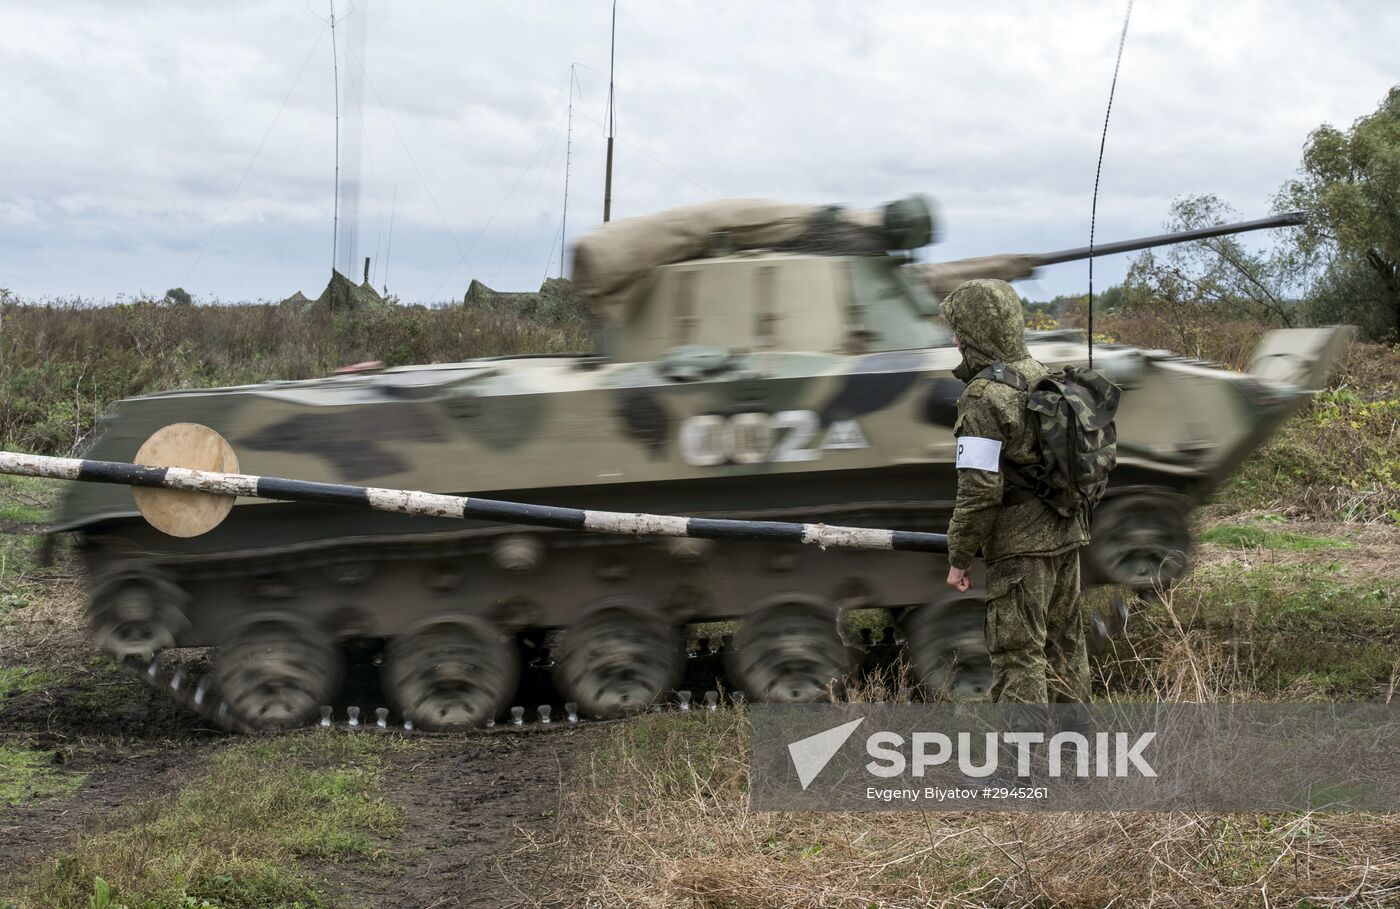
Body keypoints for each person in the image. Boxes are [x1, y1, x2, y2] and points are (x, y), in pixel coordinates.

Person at [940, 279, 1090, 704]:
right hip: (1064, 531)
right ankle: (1072, 761)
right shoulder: (1042, 375)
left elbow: (980, 489)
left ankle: (1020, 770)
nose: (954, 339)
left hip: (1021, 545)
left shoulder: (984, 396)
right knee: (1065, 649)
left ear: (974, 333)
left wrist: (959, 557)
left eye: (958, 329)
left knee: (1017, 655)